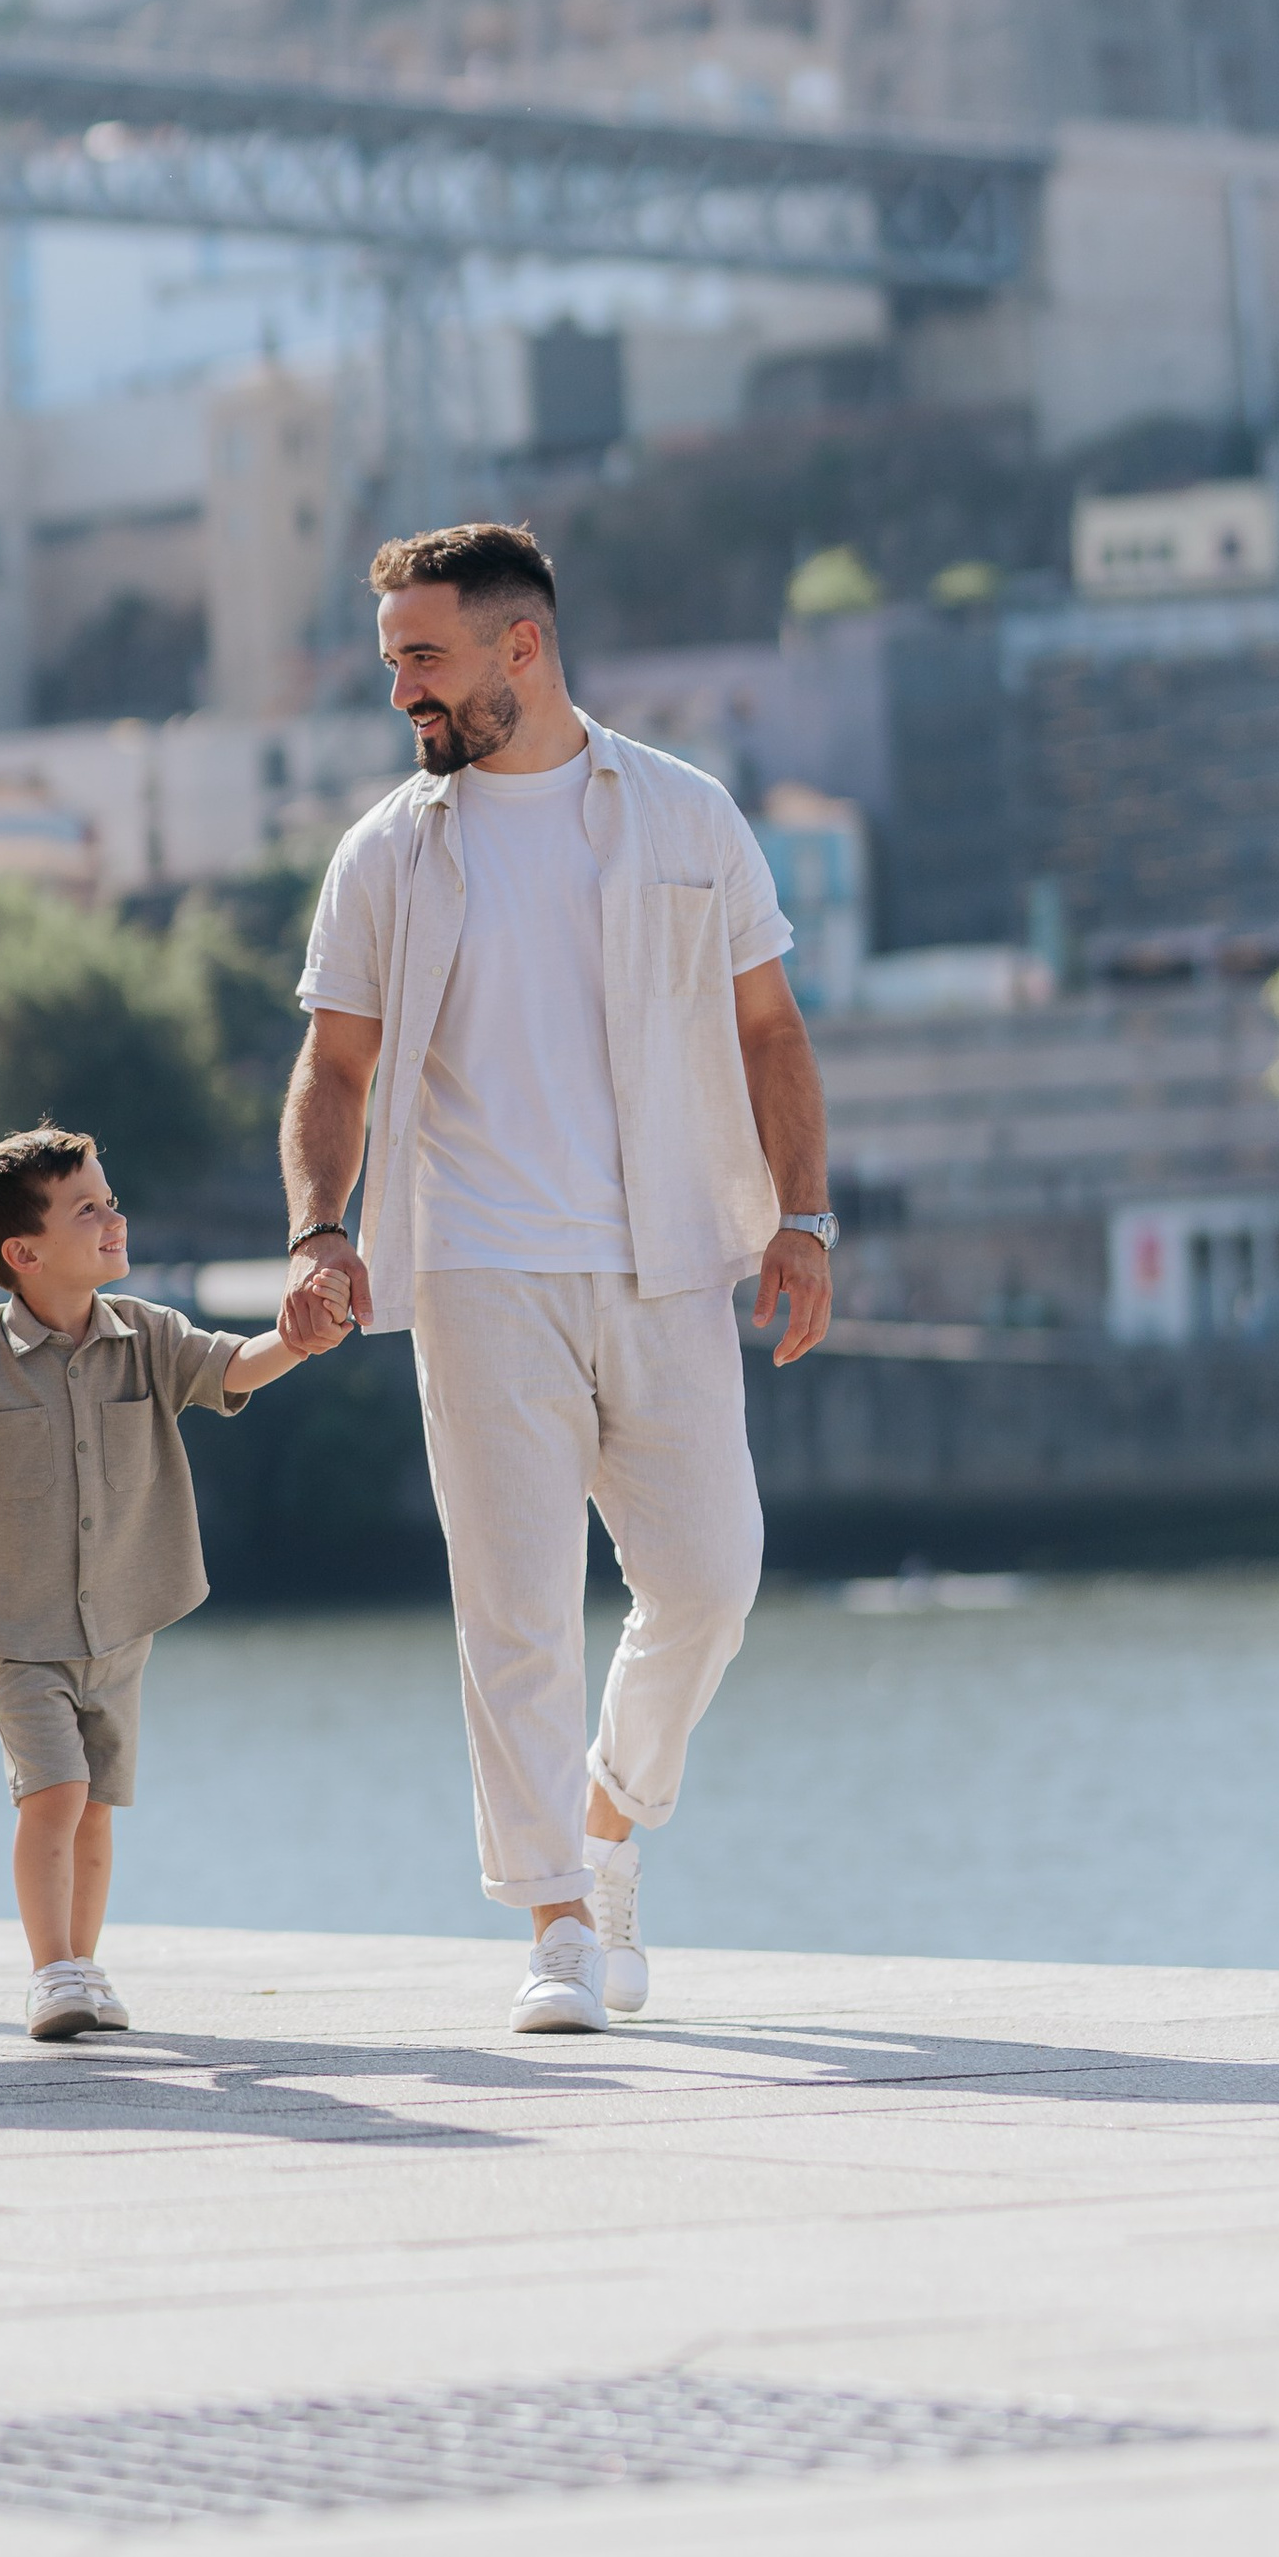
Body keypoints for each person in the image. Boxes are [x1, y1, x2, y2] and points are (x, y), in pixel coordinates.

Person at [277, 522, 834, 2039]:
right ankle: (557, 1925)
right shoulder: (390, 849)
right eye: (394, 657)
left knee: (710, 1580)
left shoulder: (686, 816)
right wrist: (322, 1230)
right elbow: (335, 1063)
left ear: (522, 646)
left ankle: (607, 1810)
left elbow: (771, 1032)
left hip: (667, 1254)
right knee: (513, 1608)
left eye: (424, 655)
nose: (402, 688)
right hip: (472, 1266)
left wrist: (807, 1216)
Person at [0, 1124, 349, 2041]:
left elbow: (234, 1368)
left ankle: (83, 1966)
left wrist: (298, 1342)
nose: (114, 1218)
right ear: (24, 1253)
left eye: (110, 1201)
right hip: (17, 1632)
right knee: (55, 1794)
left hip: (121, 1624)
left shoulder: (147, 1334)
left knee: (100, 1809)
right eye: (88, 1209)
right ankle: (51, 1971)